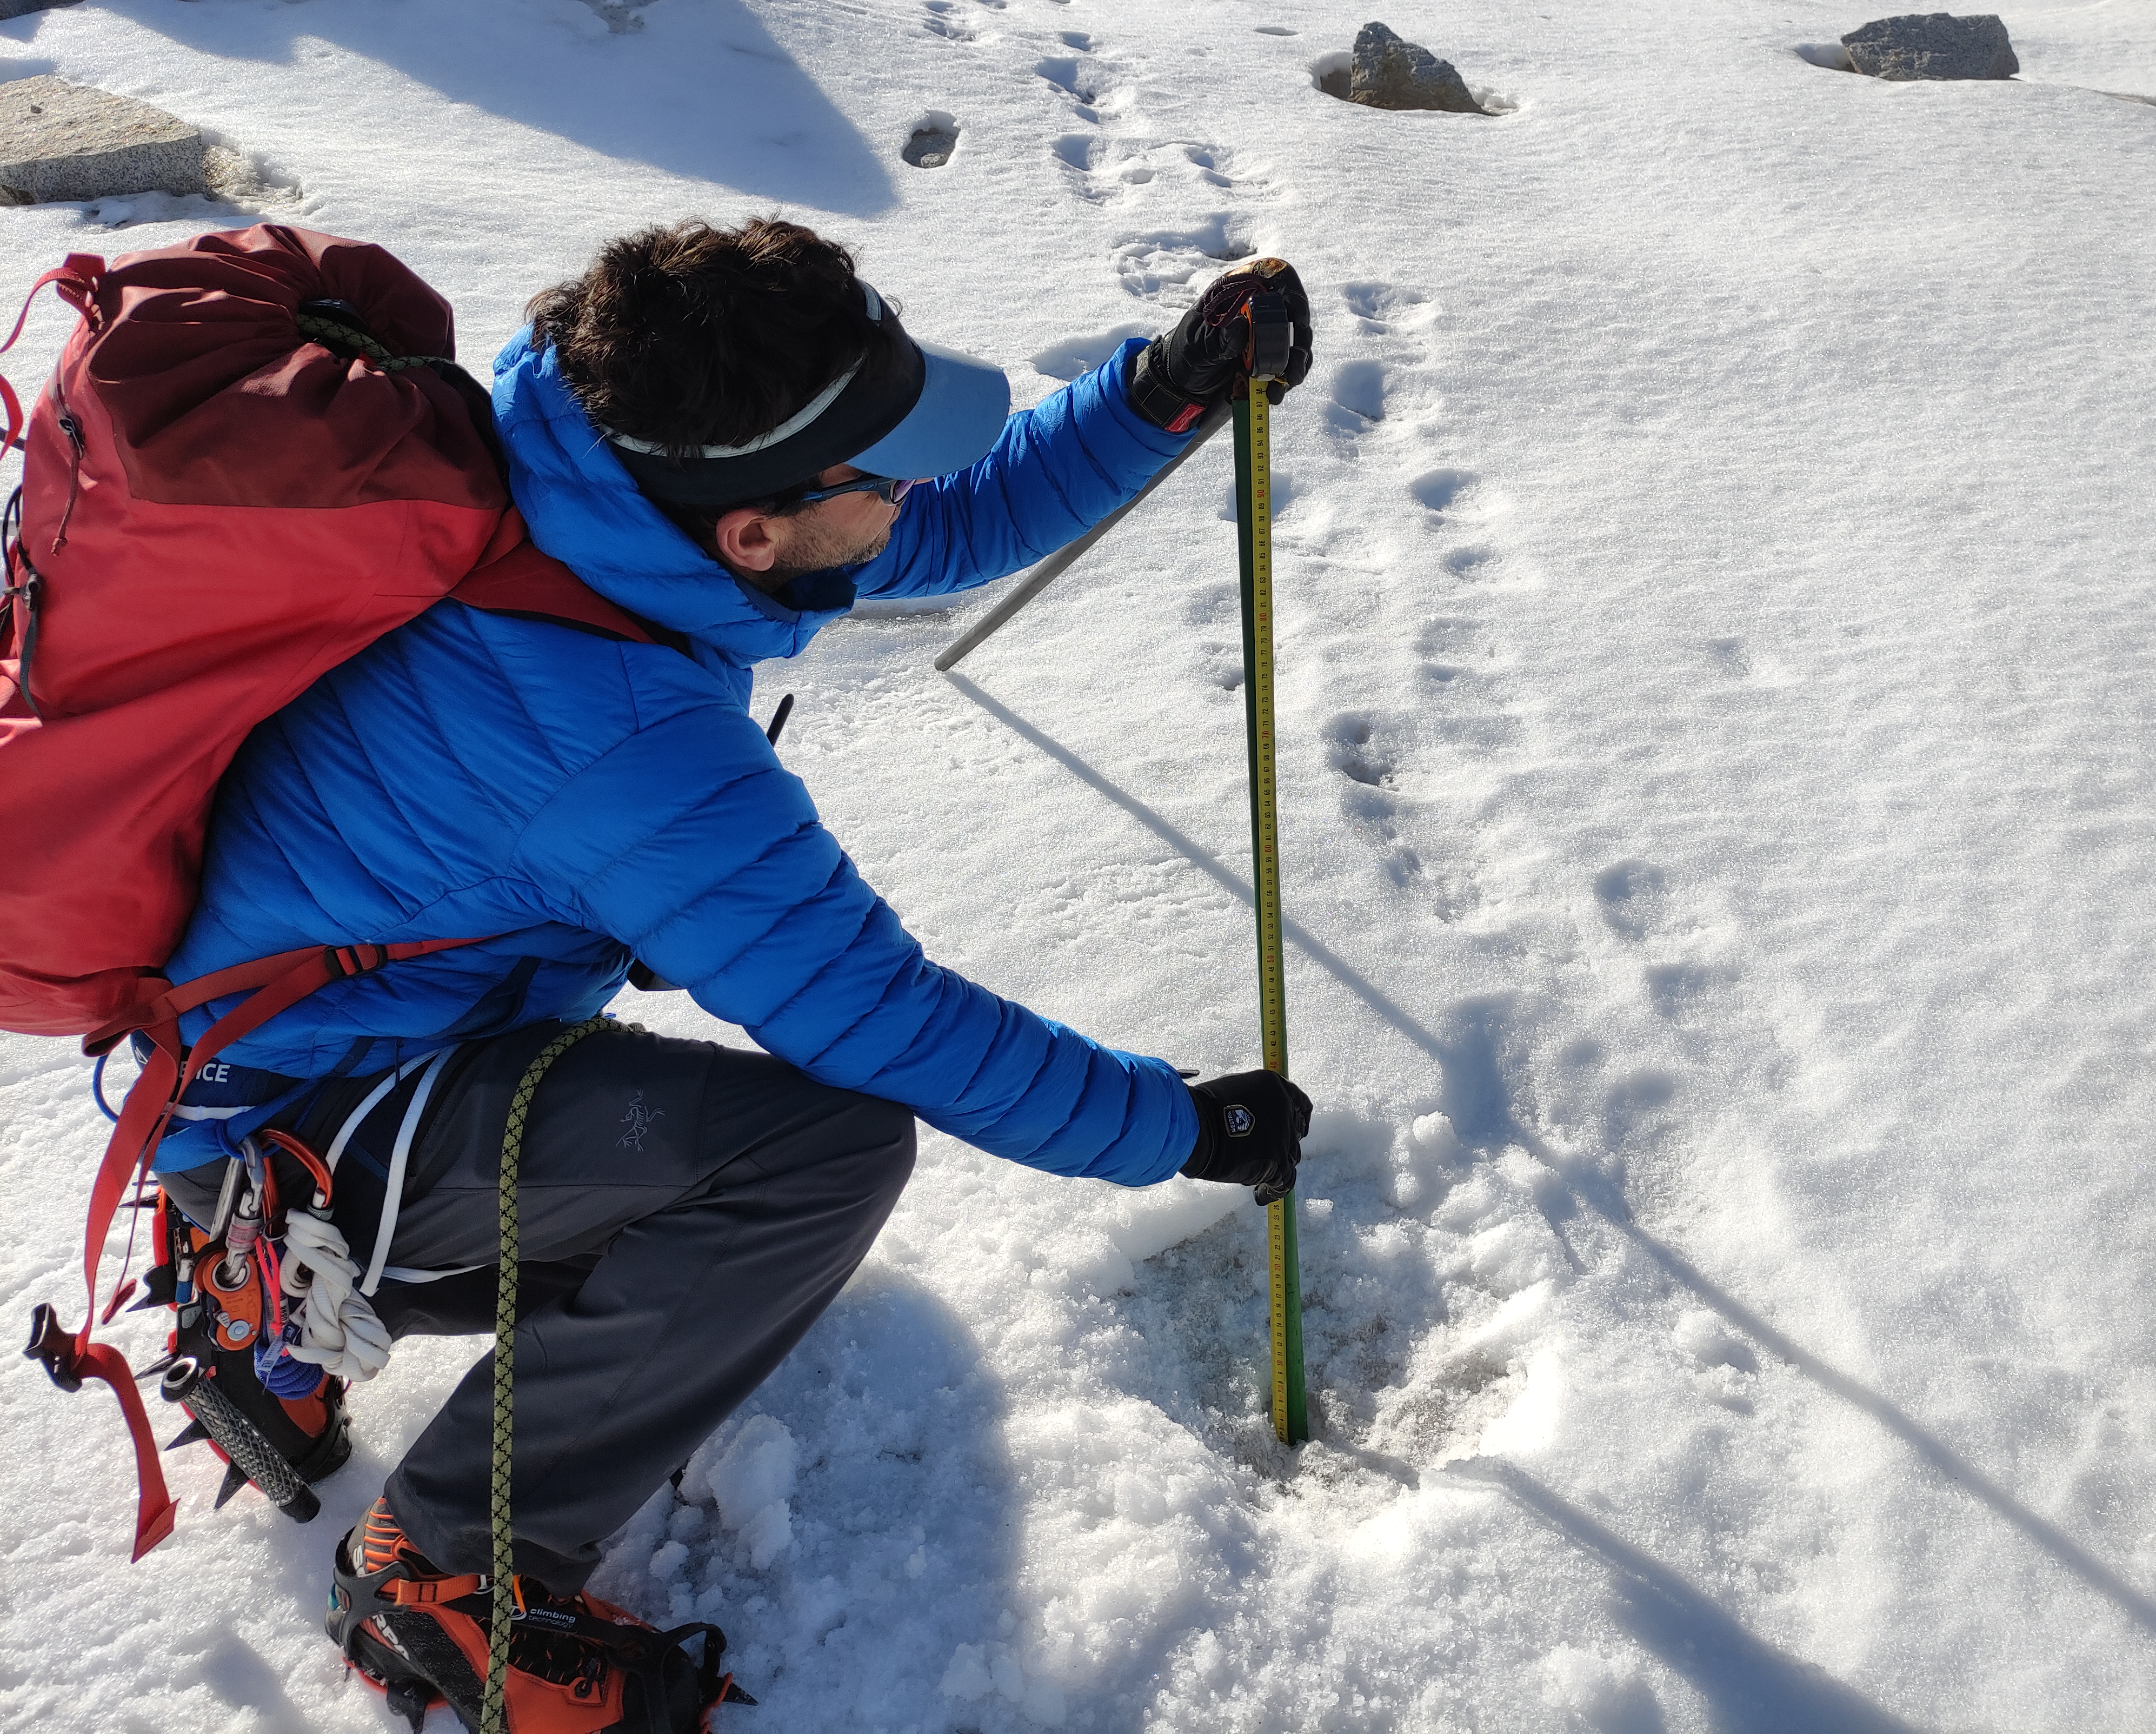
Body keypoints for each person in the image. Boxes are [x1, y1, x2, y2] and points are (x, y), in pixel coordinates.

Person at [147, 218, 1316, 1733]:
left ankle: (264, 1284)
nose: (904, 491)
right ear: (749, 537)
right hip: (325, 1096)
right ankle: (446, 1567)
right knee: (813, 1163)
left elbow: (923, 526)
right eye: (874, 468)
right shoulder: (625, 745)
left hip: (274, 1045)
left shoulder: (564, 467)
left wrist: (1160, 390)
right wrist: (1186, 1131)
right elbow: (888, 1022)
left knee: (690, 1212)